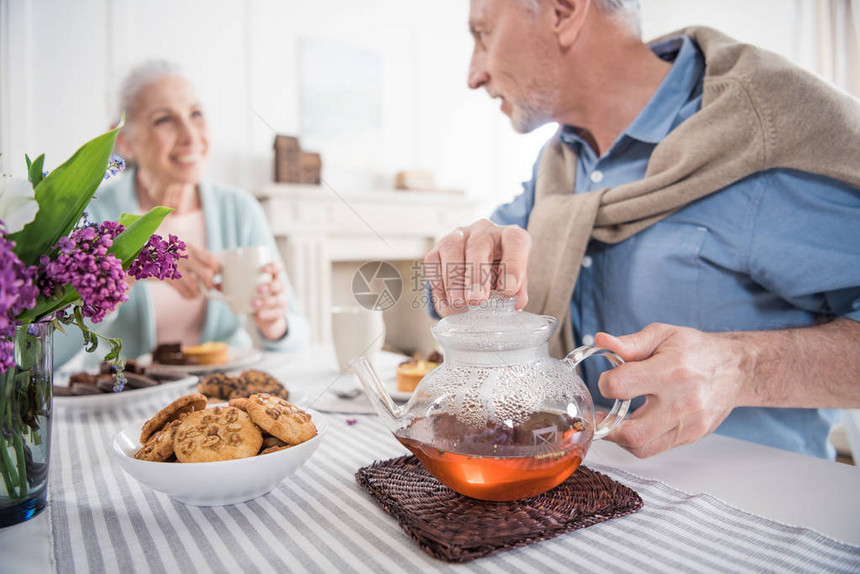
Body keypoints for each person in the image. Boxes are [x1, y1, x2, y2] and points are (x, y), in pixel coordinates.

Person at [425, 0, 860, 459]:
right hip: (584, 500)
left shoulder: (772, 137)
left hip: (749, 514)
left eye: (482, 34)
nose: (474, 75)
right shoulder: (558, 164)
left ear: (563, 12)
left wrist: (742, 367)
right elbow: (451, 294)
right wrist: (458, 270)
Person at [55, 60, 309, 367]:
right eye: (164, 120)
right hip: (125, 401)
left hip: (218, 399)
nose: (191, 136)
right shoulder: (92, 213)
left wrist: (275, 324)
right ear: (123, 141)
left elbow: (297, 337)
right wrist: (126, 272)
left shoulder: (239, 210)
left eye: (196, 114)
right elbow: (50, 351)